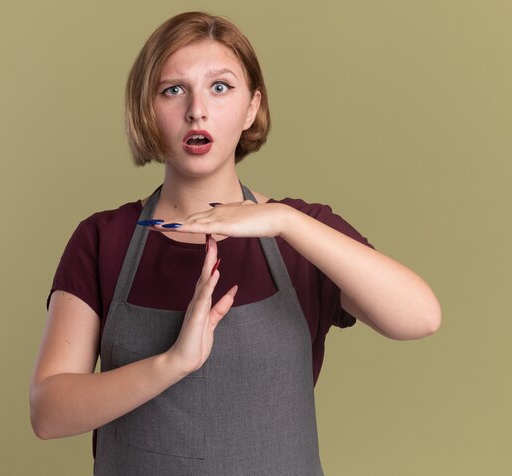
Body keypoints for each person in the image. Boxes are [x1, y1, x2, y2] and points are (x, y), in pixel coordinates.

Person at [29, 11, 441, 475]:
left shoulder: (301, 236)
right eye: (173, 89)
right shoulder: (104, 240)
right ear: (147, 109)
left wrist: (286, 220)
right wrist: (172, 364)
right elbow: (49, 413)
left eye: (220, 87)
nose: (197, 110)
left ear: (251, 107)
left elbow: (420, 318)